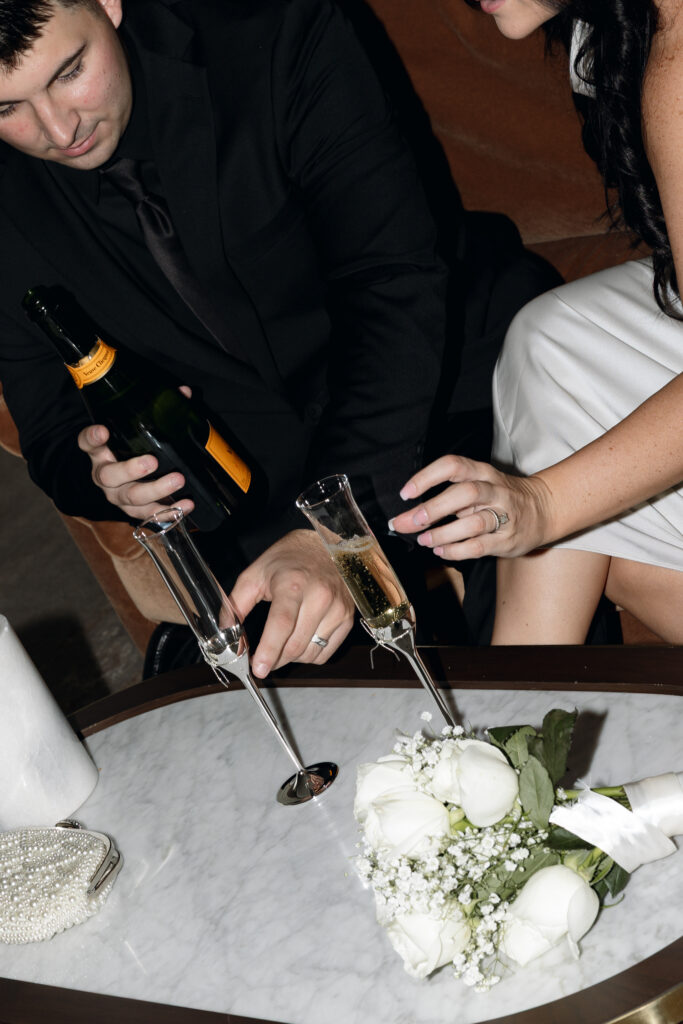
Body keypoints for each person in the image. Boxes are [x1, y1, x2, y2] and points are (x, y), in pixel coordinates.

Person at [0, 0, 455, 675]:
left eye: (69, 72)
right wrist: (108, 478)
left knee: (515, 625)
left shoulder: (278, 32)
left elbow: (393, 282)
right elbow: (48, 429)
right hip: (253, 493)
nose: (58, 129)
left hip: (437, 390)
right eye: (7, 109)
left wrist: (328, 530)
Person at [390, 0, 683, 644]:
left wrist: (541, 505)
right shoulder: (607, 26)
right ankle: (515, 711)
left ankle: (510, 724)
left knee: (594, 528)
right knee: (551, 337)